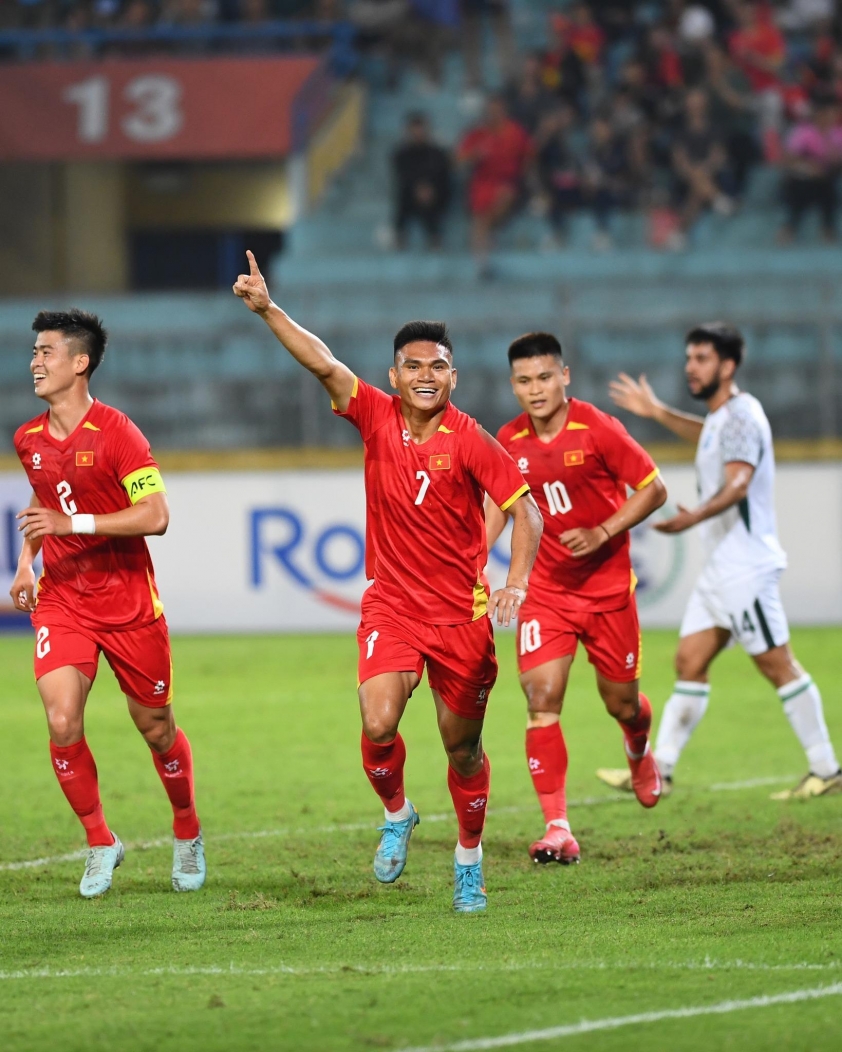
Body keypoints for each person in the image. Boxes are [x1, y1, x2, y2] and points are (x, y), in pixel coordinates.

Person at [233, 252, 543, 912]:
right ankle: (398, 813)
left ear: (454, 376)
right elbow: (323, 363)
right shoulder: (374, 415)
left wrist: (515, 582)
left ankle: (468, 859)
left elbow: (527, 512)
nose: (426, 376)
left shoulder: (472, 440)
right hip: (392, 608)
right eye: (414, 366)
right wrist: (268, 310)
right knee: (378, 722)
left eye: (438, 366)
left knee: (463, 751)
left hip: (461, 618)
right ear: (394, 375)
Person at [599, 323, 842, 800]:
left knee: (777, 664)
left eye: (702, 359)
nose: (691, 367)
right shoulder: (724, 419)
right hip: (722, 571)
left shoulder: (743, 415)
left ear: (728, 366)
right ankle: (661, 770)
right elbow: (711, 435)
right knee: (689, 661)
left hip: (744, 568)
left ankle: (826, 769)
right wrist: (659, 412)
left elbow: (739, 483)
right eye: (689, 358)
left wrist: (694, 517)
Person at [10, 309, 205, 898]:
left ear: (80, 362)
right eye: (34, 351)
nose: (35, 362)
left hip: (127, 604)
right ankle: (100, 841)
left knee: (156, 728)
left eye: (46, 352)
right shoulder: (28, 439)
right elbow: (44, 507)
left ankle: (187, 828)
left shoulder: (120, 434)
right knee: (61, 719)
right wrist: (26, 563)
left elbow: (156, 516)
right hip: (63, 599)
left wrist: (72, 523)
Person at [486, 332, 667, 866]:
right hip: (545, 592)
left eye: (545, 377)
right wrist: (473, 560)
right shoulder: (509, 439)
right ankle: (557, 827)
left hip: (607, 592)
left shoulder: (597, 428)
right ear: (513, 386)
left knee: (623, 704)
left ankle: (637, 747)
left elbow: (654, 488)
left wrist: (604, 531)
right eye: (524, 380)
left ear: (564, 376)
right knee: (541, 699)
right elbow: (499, 506)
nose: (536, 389)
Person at [457, 96, 532, 273]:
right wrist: (474, 155)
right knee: (480, 217)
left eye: (497, 111)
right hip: (482, 183)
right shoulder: (478, 133)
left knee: (504, 196)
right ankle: (481, 262)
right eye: (490, 111)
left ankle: (487, 238)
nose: (494, 114)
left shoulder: (515, 132)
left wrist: (522, 177)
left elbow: (529, 156)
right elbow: (459, 160)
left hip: (508, 182)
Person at [778, 96, 842, 244]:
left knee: (828, 186)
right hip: (804, 177)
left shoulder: (837, 133)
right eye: (827, 114)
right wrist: (810, 166)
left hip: (829, 177)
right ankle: (790, 227)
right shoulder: (803, 132)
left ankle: (828, 228)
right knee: (800, 187)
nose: (830, 118)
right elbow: (788, 158)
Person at [392, 113, 453, 249]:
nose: (418, 134)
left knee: (430, 199)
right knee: (405, 197)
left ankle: (434, 237)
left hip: (435, 194)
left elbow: (441, 175)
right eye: (414, 131)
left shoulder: (438, 153)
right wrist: (418, 188)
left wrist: (428, 188)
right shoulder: (401, 154)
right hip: (411, 194)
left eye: (420, 130)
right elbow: (403, 176)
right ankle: (399, 236)